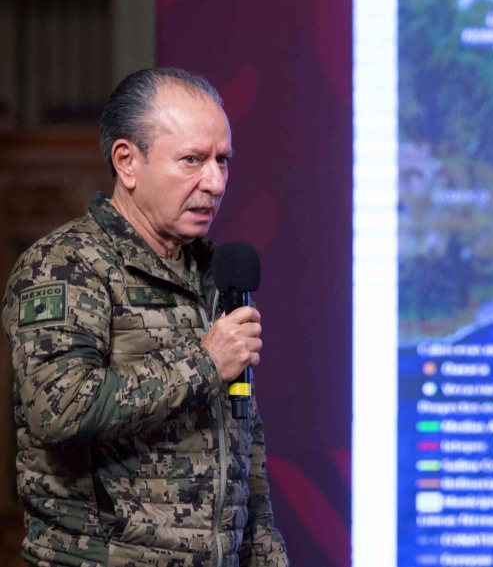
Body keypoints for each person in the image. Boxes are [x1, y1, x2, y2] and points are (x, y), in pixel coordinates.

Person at [1, 68, 289, 566]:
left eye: (223, 161)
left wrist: (266, 553)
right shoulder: (67, 265)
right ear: (128, 162)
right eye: (193, 160)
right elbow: (59, 410)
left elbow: (243, 440)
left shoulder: (218, 276)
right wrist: (203, 362)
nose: (215, 181)